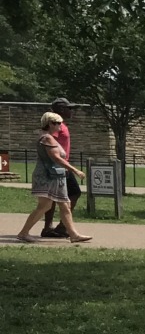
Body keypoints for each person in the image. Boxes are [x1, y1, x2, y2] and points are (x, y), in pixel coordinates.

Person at [15, 112, 90, 243]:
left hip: (56, 176)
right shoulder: (47, 138)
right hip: (47, 176)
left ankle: (73, 235)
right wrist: (75, 170)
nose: (60, 125)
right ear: (50, 124)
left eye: (60, 122)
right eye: (57, 123)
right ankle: (23, 233)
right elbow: (56, 157)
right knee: (44, 206)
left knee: (65, 205)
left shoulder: (48, 137)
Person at [40, 97, 82, 238]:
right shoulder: (57, 126)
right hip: (59, 166)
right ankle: (60, 227)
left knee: (51, 198)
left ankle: (51, 227)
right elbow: (49, 139)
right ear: (61, 109)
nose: (71, 111)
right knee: (74, 193)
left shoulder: (60, 125)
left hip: (61, 165)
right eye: (69, 108)